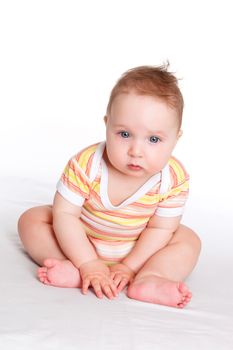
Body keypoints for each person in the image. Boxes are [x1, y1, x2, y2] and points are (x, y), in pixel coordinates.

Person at [18, 64, 201, 308]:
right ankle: (69, 265)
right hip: (78, 242)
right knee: (32, 219)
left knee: (188, 239)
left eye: (154, 139)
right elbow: (65, 215)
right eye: (124, 134)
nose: (136, 151)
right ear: (107, 124)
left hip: (139, 249)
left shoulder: (174, 178)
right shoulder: (86, 164)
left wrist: (129, 266)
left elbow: (160, 230)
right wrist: (87, 263)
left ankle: (150, 277)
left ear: (176, 138)